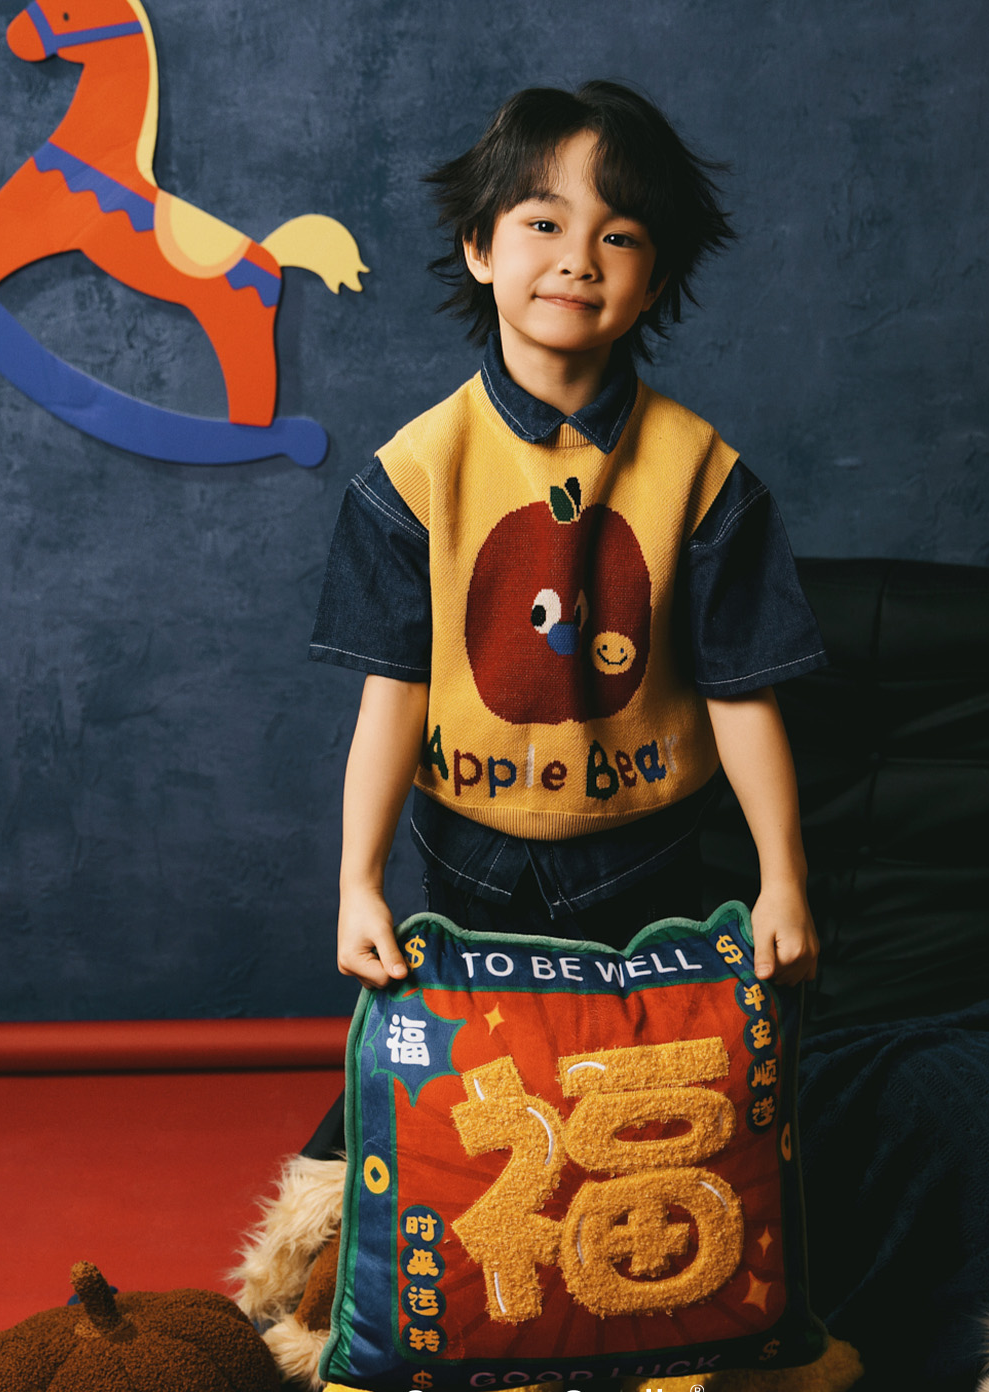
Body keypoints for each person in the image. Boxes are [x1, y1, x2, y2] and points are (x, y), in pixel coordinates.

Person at [310, 79, 825, 991]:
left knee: (647, 1075)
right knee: (483, 1073)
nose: (579, 260)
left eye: (618, 237)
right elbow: (393, 693)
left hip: (651, 853)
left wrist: (782, 880)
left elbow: (742, 692)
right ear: (479, 247)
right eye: (544, 224)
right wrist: (358, 884)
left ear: (654, 281)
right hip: (468, 857)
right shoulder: (413, 474)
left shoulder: (704, 474)